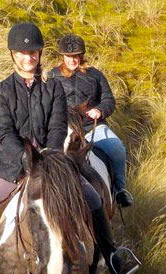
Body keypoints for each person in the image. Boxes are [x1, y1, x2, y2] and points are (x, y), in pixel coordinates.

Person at [0, 22, 139, 274]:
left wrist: (47, 157)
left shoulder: (53, 87)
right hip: (13, 167)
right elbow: (6, 133)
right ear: (13, 54)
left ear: (40, 53)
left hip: (52, 165)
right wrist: (28, 161)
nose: (29, 57)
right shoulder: (3, 90)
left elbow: (58, 127)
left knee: (93, 200)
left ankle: (113, 256)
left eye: (34, 52)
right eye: (23, 53)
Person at [48, 33, 134, 208]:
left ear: (82, 55)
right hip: (66, 128)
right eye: (69, 56)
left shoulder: (96, 75)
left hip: (92, 127)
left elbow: (109, 100)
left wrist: (100, 110)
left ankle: (119, 191)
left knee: (117, 149)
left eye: (76, 56)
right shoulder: (52, 77)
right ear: (62, 56)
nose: (73, 60)